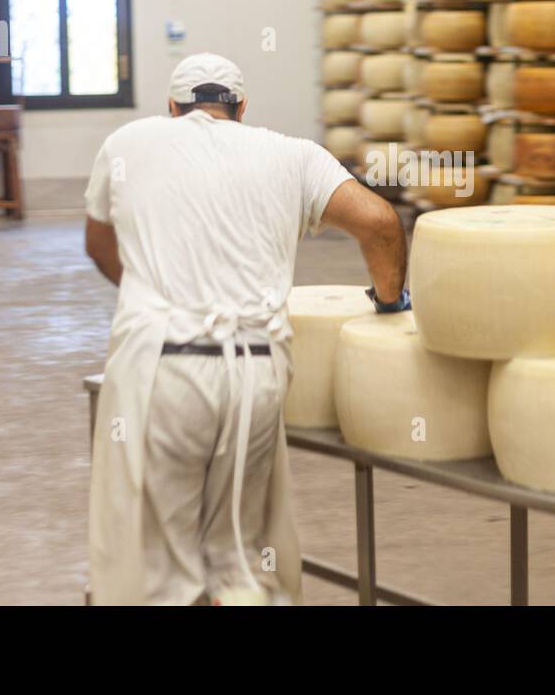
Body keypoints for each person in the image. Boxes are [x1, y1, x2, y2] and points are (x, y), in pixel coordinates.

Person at [83, 52, 408, 605]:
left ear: (173, 108)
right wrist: (388, 305)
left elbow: (99, 244)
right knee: (239, 560)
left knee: (164, 572)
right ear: (241, 108)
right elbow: (379, 223)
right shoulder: (293, 154)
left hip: (163, 368)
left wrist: (155, 291)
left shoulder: (127, 143)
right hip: (257, 371)